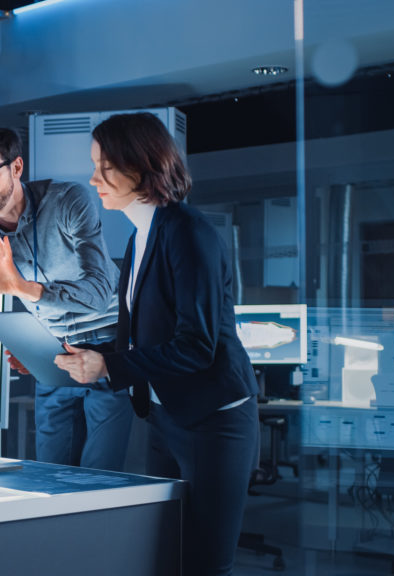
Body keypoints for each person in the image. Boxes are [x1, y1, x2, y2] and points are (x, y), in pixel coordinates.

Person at [54, 112, 258, 576]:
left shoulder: (188, 233)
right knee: (164, 557)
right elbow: (146, 336)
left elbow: (197, 346)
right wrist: (86, 361)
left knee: (205, 563)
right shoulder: (139, 234)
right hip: (167, 415)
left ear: (140, 166)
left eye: (104, 167)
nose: (93, 179)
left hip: (215, 420)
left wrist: (107, 366)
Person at [0, 124, 132, 471]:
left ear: (16, 168)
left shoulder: (67, 200)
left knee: (99, 476)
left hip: (110, 348)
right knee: (49, 474)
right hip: (52, 354)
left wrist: (20, 287)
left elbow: (98, 293)